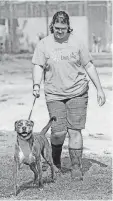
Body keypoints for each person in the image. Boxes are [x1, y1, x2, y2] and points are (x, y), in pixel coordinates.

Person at [32, 11, 106, 179]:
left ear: (68, 27)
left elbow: (89, 66)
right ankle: (55, 161)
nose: (60, 31)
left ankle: (76, 167)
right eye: (57, 28)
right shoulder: (44, 44)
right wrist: (36, 85)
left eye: (63, 28)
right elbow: (38, 66)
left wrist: (99, 89)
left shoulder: (77, 43)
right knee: (58, 132)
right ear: (52, 26)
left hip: (77, 91)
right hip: (54, 94)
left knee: (75, 130)